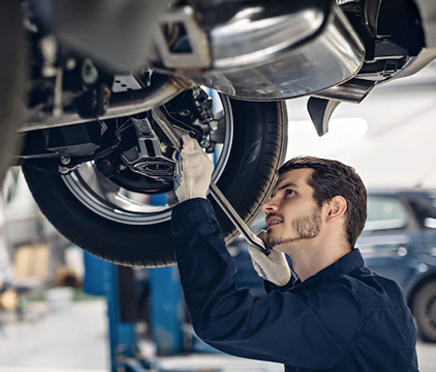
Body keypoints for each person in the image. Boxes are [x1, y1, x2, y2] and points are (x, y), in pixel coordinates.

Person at [171, 136, 419, 371]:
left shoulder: (351, 305)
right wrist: (285, 285)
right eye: (273, 195)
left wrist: (193, 202)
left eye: (289, 192)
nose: (268, 205)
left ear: (333, 209)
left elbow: (220, 319)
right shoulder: (368, 294)